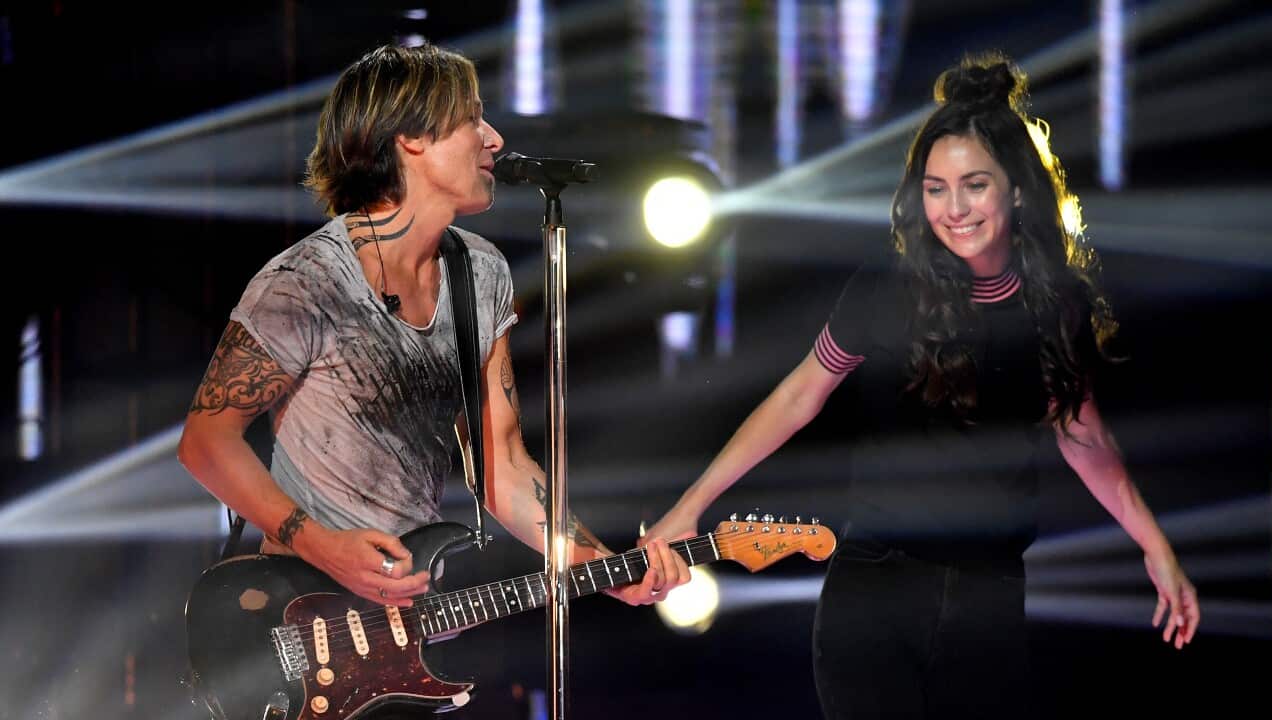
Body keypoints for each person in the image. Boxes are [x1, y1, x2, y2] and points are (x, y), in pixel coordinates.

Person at [644, 52, 1199, 718]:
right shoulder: (888, 290)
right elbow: (797, 400)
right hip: (876, 594)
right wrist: (690, 506)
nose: (953, 208)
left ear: (1016, 190)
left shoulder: (1057, 307)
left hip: (987, 602)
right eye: (935, 187)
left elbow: (1083, 435)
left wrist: (1155, 546)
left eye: (974, 185)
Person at [178, 43, 689, 620]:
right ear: (412, 137)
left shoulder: (481, 274)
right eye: (472, 117)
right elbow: (206, 441)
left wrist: (600, 568)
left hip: (411, 630)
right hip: (304, 618)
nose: (493, 138)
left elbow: (505, 467)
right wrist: (321, 545)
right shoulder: (307, 281)